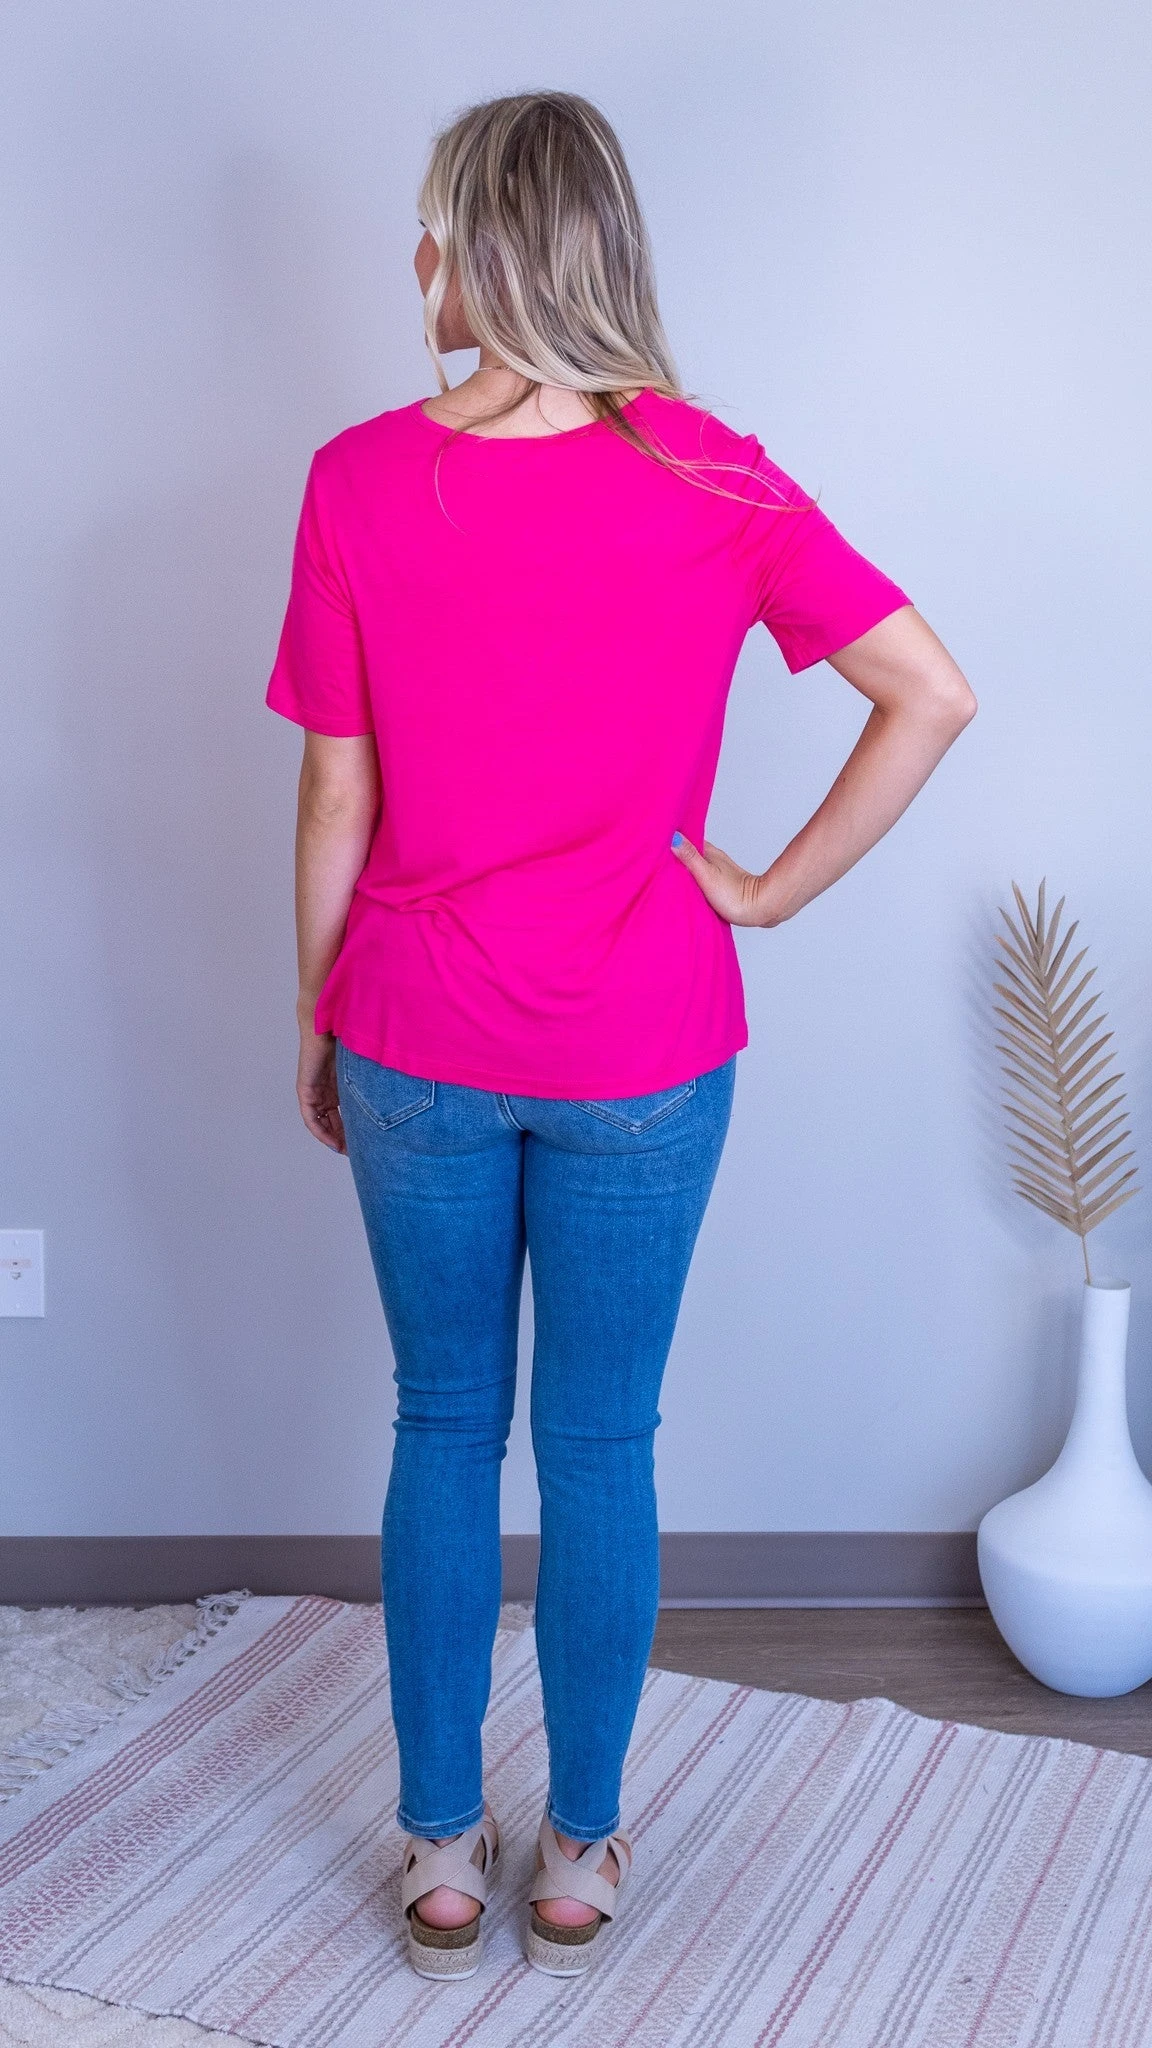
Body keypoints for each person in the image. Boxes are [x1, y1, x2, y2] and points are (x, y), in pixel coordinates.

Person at [266, 89, 976, 1982]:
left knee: (441, 1424)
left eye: (434, 228)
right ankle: (578, 1856)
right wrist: (767, 893)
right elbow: (929, 691)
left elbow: (335, 793)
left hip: (417, 1032)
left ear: (485, 251)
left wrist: (319, 1013)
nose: (417, 262)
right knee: (602, 1442)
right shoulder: (715, 475)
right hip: (646, 1047)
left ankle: (440, 1853)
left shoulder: (356, 479)